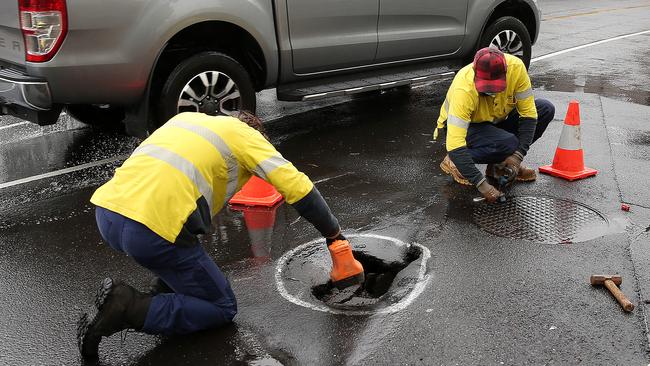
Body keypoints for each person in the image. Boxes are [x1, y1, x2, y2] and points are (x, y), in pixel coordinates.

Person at [77, 111, 364, 358]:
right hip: (151, 229)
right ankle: (129, 307)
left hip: (108, 213)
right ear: (254, 131)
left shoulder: (187, 119)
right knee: (221, 307)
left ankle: (153, 299)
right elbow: (298, 187)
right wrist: (334, 235)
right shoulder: (245, 137)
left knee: (181, 255)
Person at [434, 47, 555, 202]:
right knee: (507, 143)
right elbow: (455, 144)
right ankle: (454, 161)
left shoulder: (516, 68)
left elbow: (529, 115)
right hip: (467, 127)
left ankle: (499, 167)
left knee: (545, 109)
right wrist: (483, 186)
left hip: (495, 120)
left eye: (495, 86)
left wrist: (516, 158)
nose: (491, 91)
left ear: (505, 73)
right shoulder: (463, 88)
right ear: (475, 73)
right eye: (486, 87)